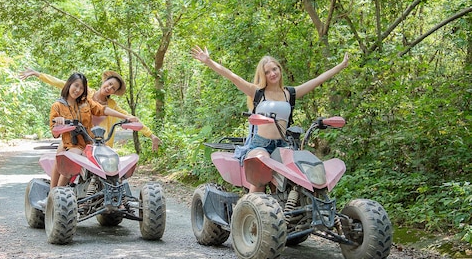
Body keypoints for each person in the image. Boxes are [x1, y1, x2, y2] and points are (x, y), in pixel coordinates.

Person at [191, 46, 349, 193]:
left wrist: (341, 66)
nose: (272, 74)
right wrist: (208, 61)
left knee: (285, 188)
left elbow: (317, 81)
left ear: (279, 69)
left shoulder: (289, 94)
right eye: (267, 72)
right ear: (263, 75)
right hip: (261, 145)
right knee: (260, 175)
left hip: (283, 146)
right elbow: (234, 78)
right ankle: (248, 213)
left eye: (274, 69)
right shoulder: (257, 92)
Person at [37, 72, 139, 208]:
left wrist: (125, 117)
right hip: (73, 144)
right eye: (76, 86)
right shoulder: (58, 106)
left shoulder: (86, 103)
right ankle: (55, 196)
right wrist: (59, 122)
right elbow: (54, 129)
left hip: (90, 143)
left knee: (111, 160)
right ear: (69, 85)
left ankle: (118, 197)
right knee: (71, 156)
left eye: (81, 88)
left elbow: (103, 110)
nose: (78, 90)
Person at [20, 68, 160, 151]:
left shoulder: (112, 106)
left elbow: (130, 117)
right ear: (104, 81)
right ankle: (56, 193)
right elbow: (60, 83)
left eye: (113, 88)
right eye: (109, 84)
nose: (109, 88)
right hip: (76, 139)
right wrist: (37, 74)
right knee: (64, 158)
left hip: (100, 145)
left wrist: (151, 135)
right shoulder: (85, 93)